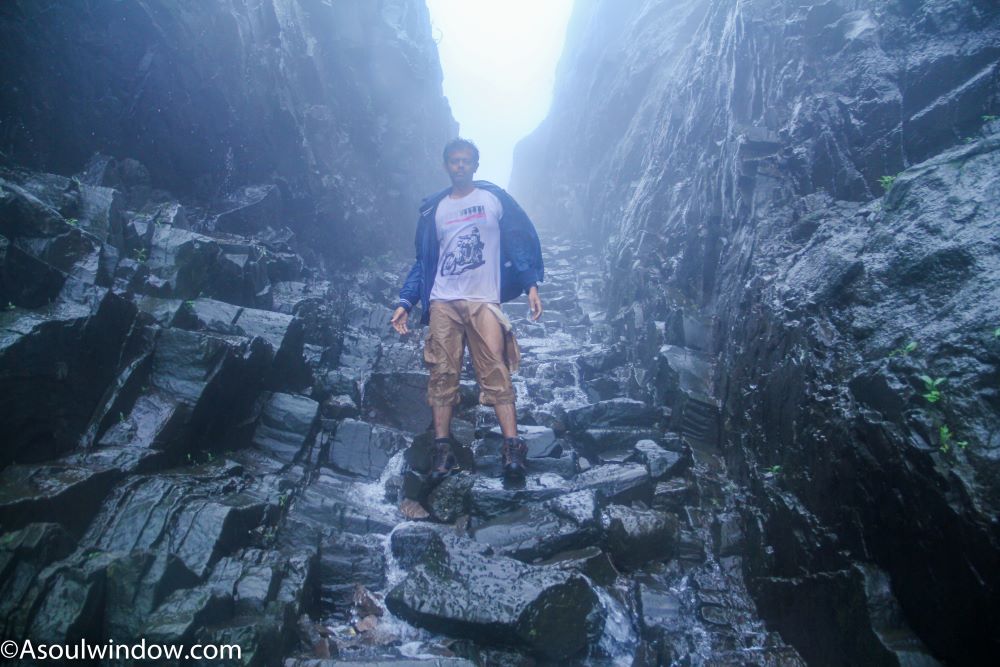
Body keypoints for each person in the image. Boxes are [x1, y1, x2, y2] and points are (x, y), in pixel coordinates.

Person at [391, 138, 544, 483]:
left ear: (475, 165)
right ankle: (443, 450)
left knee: (497, 371)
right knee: (442, 373)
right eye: (454, 161)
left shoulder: (493, 200)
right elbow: (424, 263)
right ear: (446, 166)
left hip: (483, 300)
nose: (459, 166)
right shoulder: (435, 210)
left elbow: (519, 243)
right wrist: (405, 302)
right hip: (443, 301)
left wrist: (531, 284)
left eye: (466, 161)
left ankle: (512, 447)